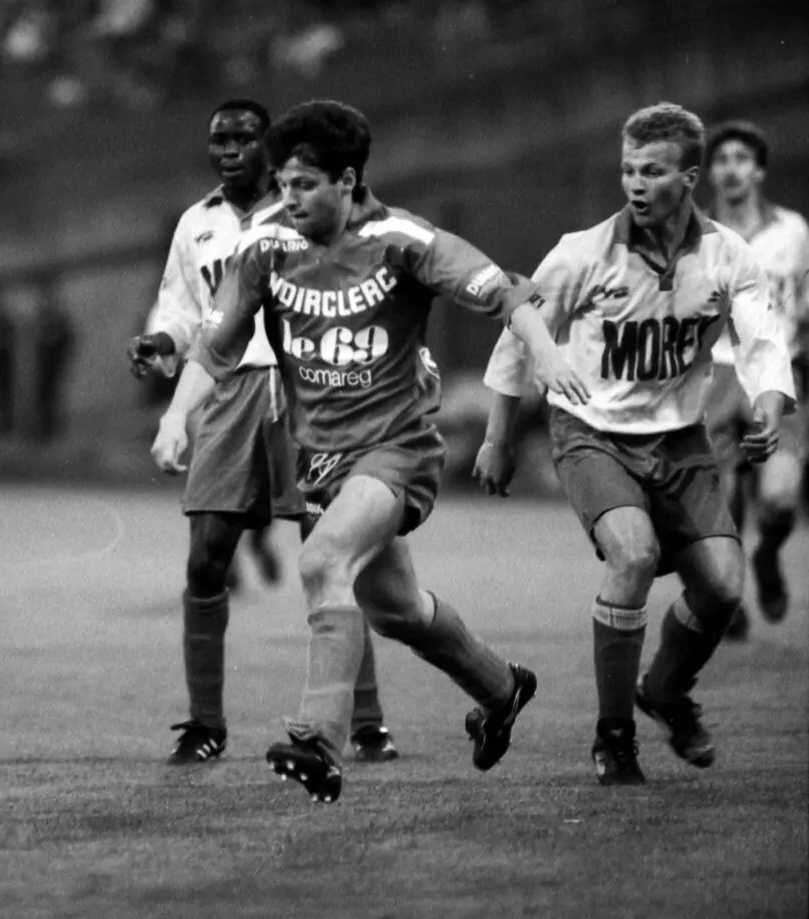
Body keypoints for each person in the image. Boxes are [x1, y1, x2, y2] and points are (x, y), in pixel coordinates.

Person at [152, 100, 584, 803]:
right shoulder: (266, 246)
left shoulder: (401, 239)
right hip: (321, 461)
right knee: (396, 609)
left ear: (348, 181)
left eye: (304, 185)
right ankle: (501, 688)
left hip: (397, 449)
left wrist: (548, 354)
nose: (288, 198)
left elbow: (508, 294)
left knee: (322, 561)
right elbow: (214, 342)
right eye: (283, 184)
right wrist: (177, 415)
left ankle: (318, 739)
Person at [476, 102, 797, 786]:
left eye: (652, 171)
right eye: (628, 170)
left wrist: (770, 405)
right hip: (591, 433)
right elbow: (517, 336)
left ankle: (666, 692)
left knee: (723, 588)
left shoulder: (727, 255)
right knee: (635, 554)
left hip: (680, 439)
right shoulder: (582, 252)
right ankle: (614, 737)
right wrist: (498, 437)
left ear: (689, 178)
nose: (635, 183)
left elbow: (764, 340)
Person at [131, 99, 399, 767]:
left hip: (307, 387)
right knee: (206, 557)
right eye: (218, 139)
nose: (228, 150)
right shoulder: (195, 224)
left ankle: (366, 722)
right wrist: (161, 342)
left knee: (333, 552)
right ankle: (204, 724)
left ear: (270, 146)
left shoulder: (306, 209)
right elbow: (184, 311)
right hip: (228, 393)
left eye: (244, 138)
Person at [702, 120, 809, 637]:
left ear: (759, 170)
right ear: (709, 173)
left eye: (741, 159)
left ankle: (767, 554)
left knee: (780, 498)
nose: (731, 169)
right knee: (720, 503)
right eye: (722, 160)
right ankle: (729, 594)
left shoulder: (793, 231)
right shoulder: (695, 236)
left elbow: (803, 307)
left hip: (775, 373)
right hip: (714, 375)